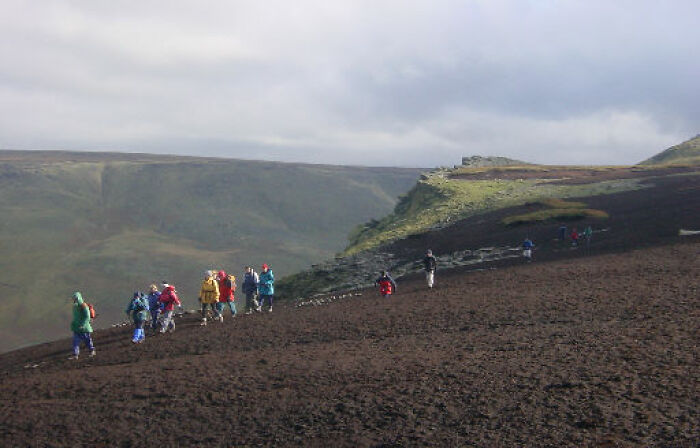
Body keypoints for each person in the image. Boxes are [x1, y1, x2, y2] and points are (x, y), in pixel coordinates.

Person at [69, 292, 95, 359]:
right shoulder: (75, 307)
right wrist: (73, 324)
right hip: (77, 327)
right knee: (75, 341)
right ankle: (75, 355)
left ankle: (92, 351)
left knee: (87, 340)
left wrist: (83, 325)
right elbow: (76, 317)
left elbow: (87, 316)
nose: (74, 300)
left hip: (84, 328)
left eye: (75, 299)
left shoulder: (84, 306)